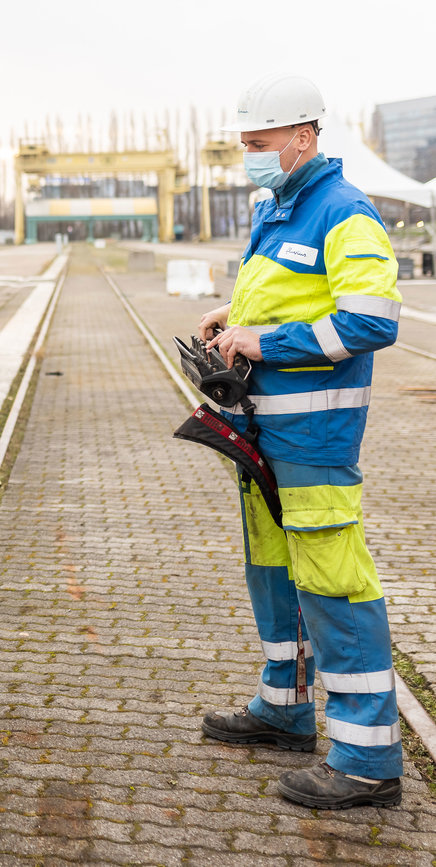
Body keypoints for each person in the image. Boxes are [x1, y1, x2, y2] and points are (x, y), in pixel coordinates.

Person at [197, 73, 405, 809]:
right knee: (275, 572)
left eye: (258, 145)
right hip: (264, 434)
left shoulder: (343, 212)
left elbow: (370, 321)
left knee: (335, 587)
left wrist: (266, 339)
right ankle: (284, 707)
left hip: (314, 440)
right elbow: (287, 294)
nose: (248, 157)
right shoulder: (279, 208)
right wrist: (233, 315)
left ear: (303, 137)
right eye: (244, 145)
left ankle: (366, 758)